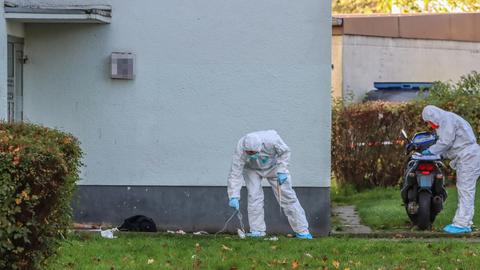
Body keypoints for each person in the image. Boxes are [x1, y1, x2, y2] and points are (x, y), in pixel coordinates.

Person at [226, 130, 312, 239]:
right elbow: (235, 171)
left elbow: (285, 152)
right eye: (249, 153)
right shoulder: (241, 146)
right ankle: (257, 230)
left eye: (254, 152)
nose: (251, 155)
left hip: (274, 167)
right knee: (254, 197)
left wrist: (282, 170)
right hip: (252, 170)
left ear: (260, 146)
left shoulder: (272, 139)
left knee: (288, 197)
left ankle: (302, 231)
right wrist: (233, 195)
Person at [421, 105, 480, 233]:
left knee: (466, 190)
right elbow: (453, 146)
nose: (430, 125)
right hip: (467, 156)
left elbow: (446, 142)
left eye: (429, 122)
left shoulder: (447, 119)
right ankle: (466, 222)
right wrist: (440, 154)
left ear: (433, 116)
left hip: (469, 157)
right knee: (465, 190)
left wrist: (431, 151)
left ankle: (462, 224)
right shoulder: (446, 121)